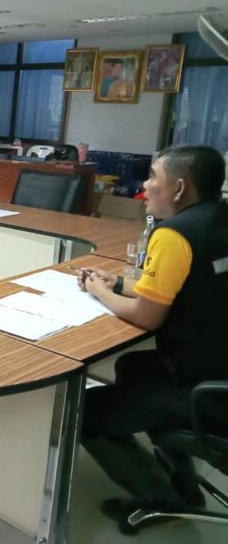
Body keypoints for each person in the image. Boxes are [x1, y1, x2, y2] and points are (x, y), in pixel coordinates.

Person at [77, 145, 228, 533]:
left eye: (153, 178)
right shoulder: (219, 219)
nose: (145, 186)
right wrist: (119, 283)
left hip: (206, 389)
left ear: (179, 188)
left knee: (85, 412)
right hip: (217, 367)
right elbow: (185, 286)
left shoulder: (174, 234)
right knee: (131, 365)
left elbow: (147, 316)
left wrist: (100, 292)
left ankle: (161, 499)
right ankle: (182, 475)